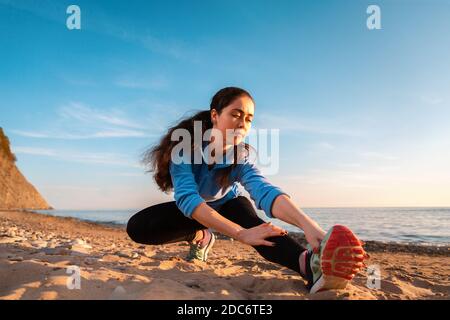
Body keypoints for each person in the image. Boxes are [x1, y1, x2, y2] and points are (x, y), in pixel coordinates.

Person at [127, 87, 367, 293]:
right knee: (138, 228)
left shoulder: (240, 155)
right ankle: (201, 236)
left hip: (228, 205)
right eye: (236, 114)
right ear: (215, 116)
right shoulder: (185, 148)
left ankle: (307, 265)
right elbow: (188, 198)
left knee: (253, 225)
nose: (242, 124)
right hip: (195, 209)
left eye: (249, 118)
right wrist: (239, 234)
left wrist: (309, 227)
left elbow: (263, 190)